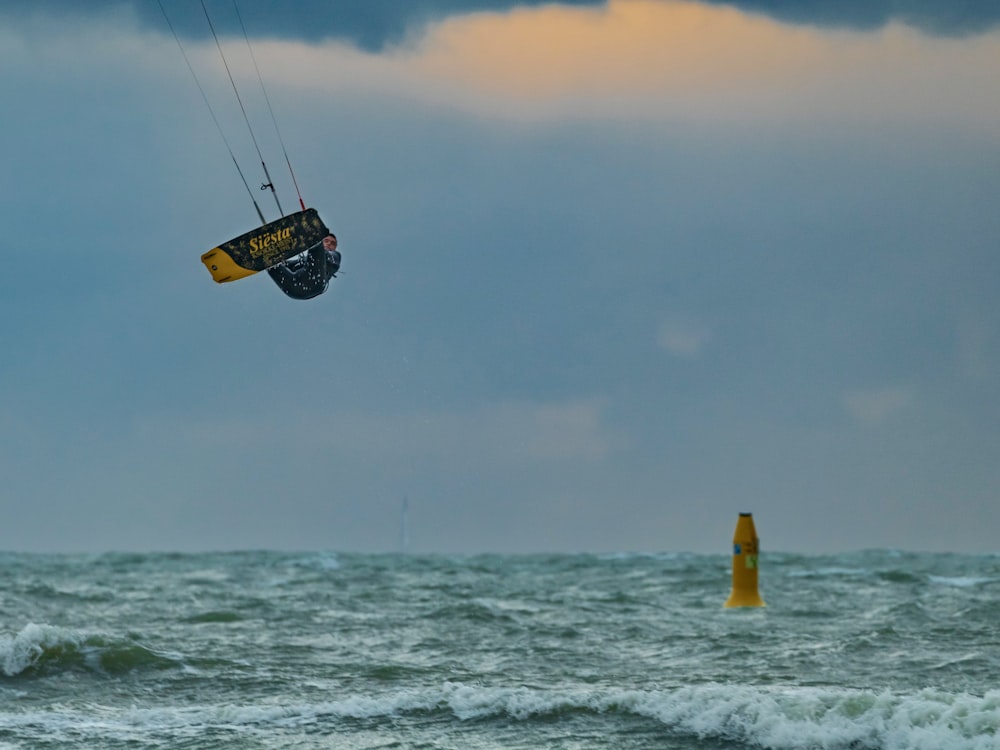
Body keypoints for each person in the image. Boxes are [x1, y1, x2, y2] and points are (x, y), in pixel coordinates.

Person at [267, 234, 340, 300]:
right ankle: (265, 256)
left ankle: (313, 234)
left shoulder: (335, 256)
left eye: (333, 243)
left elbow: (326, 256)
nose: (329, 244)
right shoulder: (305, 260)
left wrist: (316, 242)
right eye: (326, 241)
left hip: (315, 282)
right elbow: (287, 264)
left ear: (335, 247)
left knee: (316, 245)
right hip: (296, 289)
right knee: (271, 265)